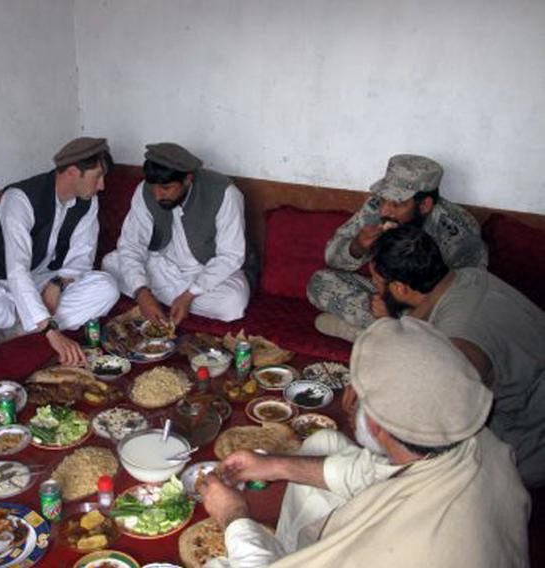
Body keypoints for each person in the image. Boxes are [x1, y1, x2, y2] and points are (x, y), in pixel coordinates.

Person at [199, 317, 529, 567]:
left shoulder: (408, 549)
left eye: (355, 392)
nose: (348, 397)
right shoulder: (470, 438)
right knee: (326, 441)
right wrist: (275, 465)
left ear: (374, 423)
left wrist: (234, 517)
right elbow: (378, 470)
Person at [370, 224, 545, 486]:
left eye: (375, 280)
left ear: (400, 289)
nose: (373, 286)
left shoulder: (460, 345)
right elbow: (425, 319)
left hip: (527, 447)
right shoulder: (468, 277)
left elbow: (438, 416)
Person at [0, 137, 120, 365]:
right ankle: (34, 324)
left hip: (43, 281)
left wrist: (57, 284)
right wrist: (50, 330)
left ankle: (13, 332)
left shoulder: (88, 201)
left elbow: (81, 259)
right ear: (72, 172)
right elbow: (17, 270)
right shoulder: (20, 199)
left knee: (107, 287)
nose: (102, 186)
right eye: (97, 177)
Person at [307, 154, 486, 342]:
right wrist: (357, 246)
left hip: (428, 306)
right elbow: (332, 259)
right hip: (387, 292)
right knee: (320, 282)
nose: (385, 210)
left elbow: (468, 295)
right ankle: (387, 334)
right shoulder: (377, 207)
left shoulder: (459, 231)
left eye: (397, 203)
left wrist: (401, 315)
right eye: (384, 199)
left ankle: (373, 335)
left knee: (449, 328)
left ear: (424, 204)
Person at [102, 142, 249, 325]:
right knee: (110, 264)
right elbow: (131, 244)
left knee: (232, 303)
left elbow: (231, 255)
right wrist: (141, 292)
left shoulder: (225, 193)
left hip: (205, 269)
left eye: (166, 188)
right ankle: (154, 297)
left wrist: (190, 294)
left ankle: (167, 298)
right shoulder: (145, 190)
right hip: (162, 265)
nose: (157, 195)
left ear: (187, 179)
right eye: (153, 186)